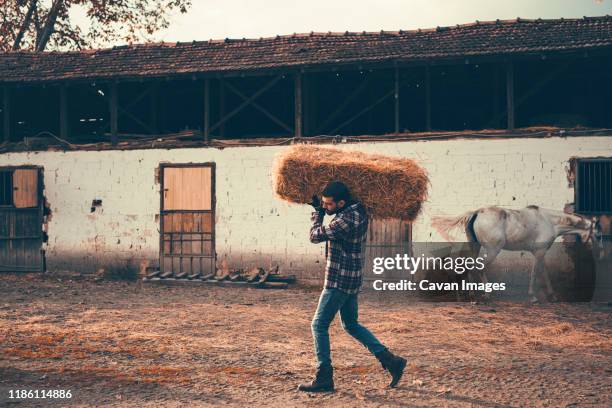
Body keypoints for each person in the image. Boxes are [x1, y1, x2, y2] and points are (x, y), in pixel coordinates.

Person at [297, 180, 407, 393]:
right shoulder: (354, 211)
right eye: (324, 204)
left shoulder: (347, 219)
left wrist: (317, 214)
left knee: (318, 325)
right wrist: (322, 209)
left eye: (329, 204)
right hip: (350, 279)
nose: (326, 207)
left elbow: (314, 235)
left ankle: (324, 377)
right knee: (351, 325)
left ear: (341, 202)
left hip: (339, 280)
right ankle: (391, 361)